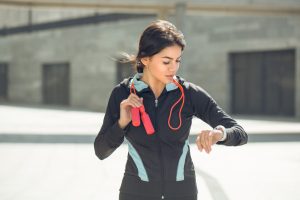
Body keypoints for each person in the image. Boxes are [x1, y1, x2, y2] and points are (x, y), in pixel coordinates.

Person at [94, 20, 248, 200]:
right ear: (145, 59)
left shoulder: (188, 94)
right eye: (166, 61)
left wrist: (219, 134)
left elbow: (240, 133)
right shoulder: (123, 94)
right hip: (135, 192)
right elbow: (101, 150)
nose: (173, 67)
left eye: (177, 61)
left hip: (182, 192)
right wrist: (121, 123)